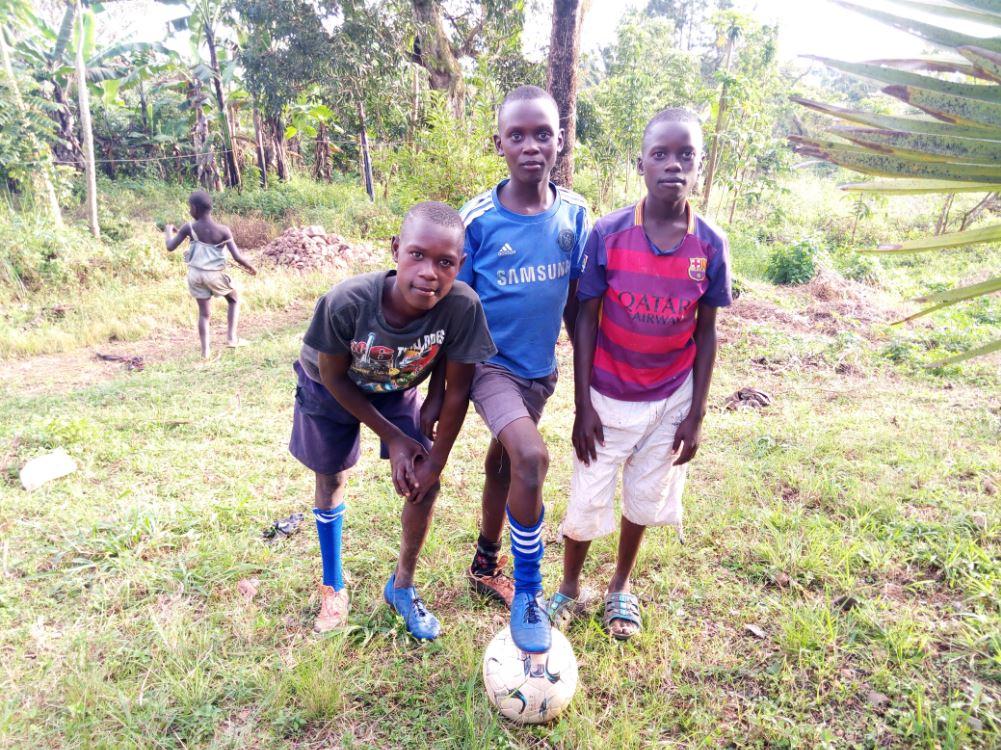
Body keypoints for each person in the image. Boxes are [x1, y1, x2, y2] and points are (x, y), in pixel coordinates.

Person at [546, 108, 732, 640]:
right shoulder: (608, 233)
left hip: (673, 397)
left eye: (686, 155)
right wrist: (583, 405)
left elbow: (707, 333)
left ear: (700, 166)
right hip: (608, 395)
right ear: (640, 164)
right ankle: (569, 587)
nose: (673, 165)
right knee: (588, 495)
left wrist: (696, 415)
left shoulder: (710, 244)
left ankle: (620, 585)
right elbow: (585, 318)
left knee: (646, 495)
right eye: (660, 154)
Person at [290, 201, 496, 641]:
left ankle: (402, 586)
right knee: (331, 477)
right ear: (396, 249)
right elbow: (333, 376)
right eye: (417, 255)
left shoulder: (462, 305)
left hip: (395, 385)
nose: (429, 273)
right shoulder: (347, 302)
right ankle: (333, 584)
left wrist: (434, 460)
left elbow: (457, 388)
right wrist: (394, 436)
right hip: (329, 387)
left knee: (425, 481)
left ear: (460, 264)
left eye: (445, 262)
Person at [444, 85, 590, 654]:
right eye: (517, 135)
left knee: (504, 464)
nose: (531, 146)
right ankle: (529, 591)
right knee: (531, 457)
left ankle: (485, 562)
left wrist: (585, 394)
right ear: (498, 143)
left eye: (543, 134)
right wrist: (439, 396)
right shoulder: (478, 221)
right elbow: (454, 310)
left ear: (560, 140)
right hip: (490, 366)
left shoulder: (575, 215)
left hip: (539, 370)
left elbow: (577, 307)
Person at [164, 191, 257, 357]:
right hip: (214, 275)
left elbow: (170, 246)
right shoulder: (223, 230)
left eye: (190, 207)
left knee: (204, 314)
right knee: (234, 299)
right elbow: (237, 257)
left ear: (194, 208)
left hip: (195, 276)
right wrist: (251, 267)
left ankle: (205, 352)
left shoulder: (188, 227)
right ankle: (231, 338)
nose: (189, 210)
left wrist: (168, 231)